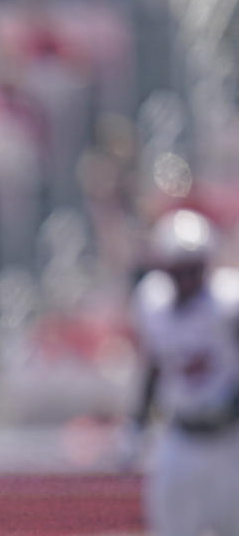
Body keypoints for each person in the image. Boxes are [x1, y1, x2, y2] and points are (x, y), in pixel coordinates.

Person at [129, 207, 239, 536]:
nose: (188, 280)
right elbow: (154, 364)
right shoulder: (152, 302)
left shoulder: (228, 305)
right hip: (180, 435)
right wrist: (137, 423)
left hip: (230, 437)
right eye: (179, 271)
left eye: (194, 270)